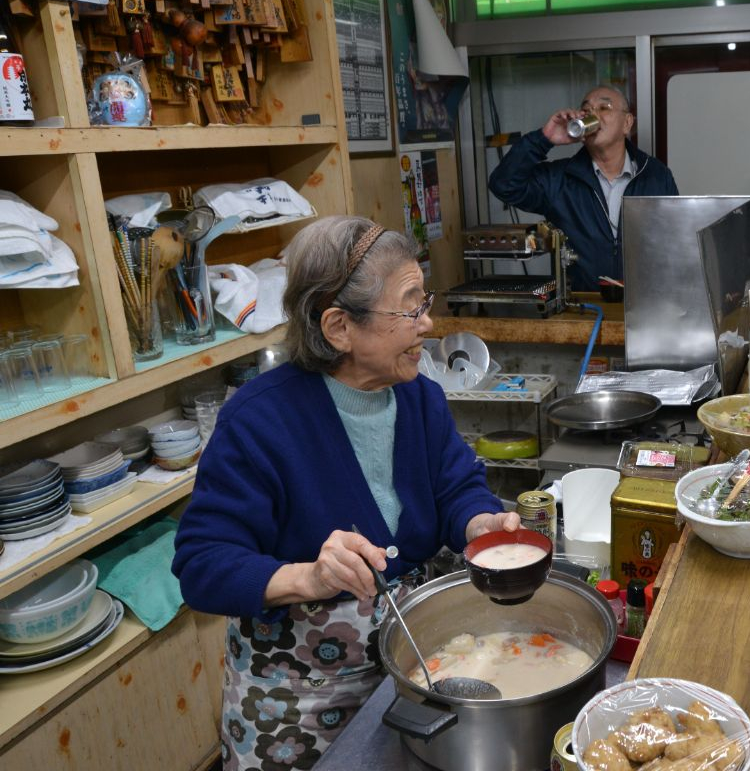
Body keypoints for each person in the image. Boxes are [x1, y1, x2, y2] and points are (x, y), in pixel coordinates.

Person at [172, 216, 518, 770]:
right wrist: (308, 576)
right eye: (409, 309)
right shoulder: (258, 422)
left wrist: (480, 525)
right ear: (338, 328)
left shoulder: (420, 398)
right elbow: (201, 565)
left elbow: (457, 487)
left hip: (410, 666)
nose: (427, 323)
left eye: (423, 302)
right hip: (296, 699)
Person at [488, 85, 679, 292]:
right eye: (586, 111)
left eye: (604, 107)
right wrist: (544, 138)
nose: (593, 115)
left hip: (645, 306)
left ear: (627, 123)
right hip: (582, 306)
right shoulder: (559, 179)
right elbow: (503, 185)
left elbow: (675, 241)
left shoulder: (655, 175)